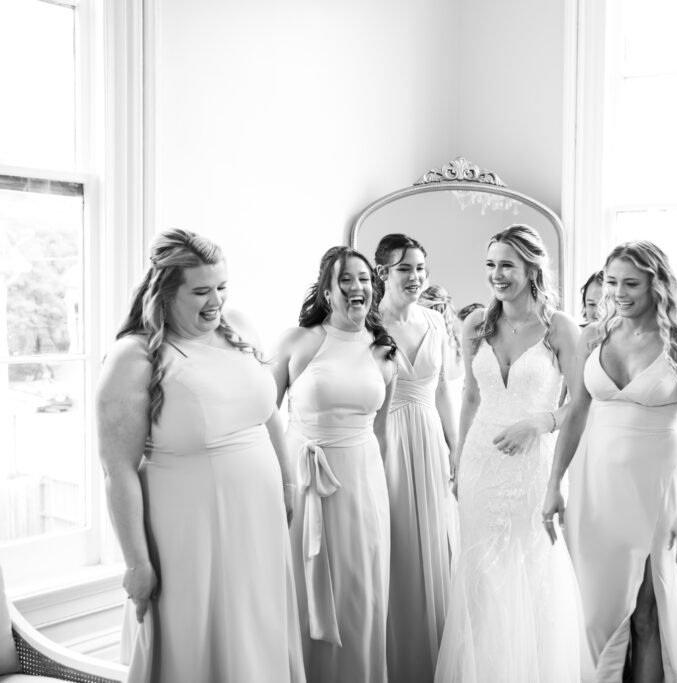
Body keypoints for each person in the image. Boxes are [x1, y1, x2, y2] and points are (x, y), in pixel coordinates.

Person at [97, 228, 304, 683]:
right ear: (166, 291)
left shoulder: (240, 328)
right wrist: (138, 564)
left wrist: (288, 486)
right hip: (189, 531)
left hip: (260, 522)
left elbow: (267, 411)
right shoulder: (134, 357)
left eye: (222, 287)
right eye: (201, 291)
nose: (216, 301)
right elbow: (118, 470)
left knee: (258, 631)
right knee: (198, 642)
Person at [543, 240, 677, 683]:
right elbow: (576, 412)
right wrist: (553, 485)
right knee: (596, 613)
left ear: (656, 284)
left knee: (648, 612)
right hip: (596, 487)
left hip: (659, 486)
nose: (618, 293)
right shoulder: (593, 335)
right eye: (612, 281)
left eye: (630, 284)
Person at [434, 224, 583, 683]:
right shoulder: (476, 324)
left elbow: (580, 400)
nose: (497, 275)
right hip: (481, 463)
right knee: (479, 571)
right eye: (491, 265)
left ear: (532, 268)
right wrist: (459, 461)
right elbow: (471, 399)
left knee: (529, 567)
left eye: (507, 265)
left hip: (532, 466)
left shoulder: (559, 328)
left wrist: (539, 423)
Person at [271, 246, 397, 683]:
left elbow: (381, 430)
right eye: (345, 279)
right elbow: (261, 420)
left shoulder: (383, 351)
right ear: (327, 289)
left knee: (359, 594)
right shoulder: (298, 342)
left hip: (364, 484)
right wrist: (276, 486)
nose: (356, 287)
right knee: (301, 590)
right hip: (302, 483)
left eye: (364, 278)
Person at [374, 235, 458, 682]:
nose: (416, 277)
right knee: (396, 542)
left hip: (427, 437)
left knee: (435, 542)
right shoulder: (368, 324)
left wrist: (455, 446)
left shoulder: (435, 321)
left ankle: (434, 658)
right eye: (405, 268)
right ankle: (393, 655)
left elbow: (443, 388)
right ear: (383, 272)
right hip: (385, 437)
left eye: (421, 268)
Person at [420, 282, 466, 431]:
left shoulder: (433, 344)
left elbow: (441, 390)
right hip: (459, 420)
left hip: (439, 424)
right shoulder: (459, 341)